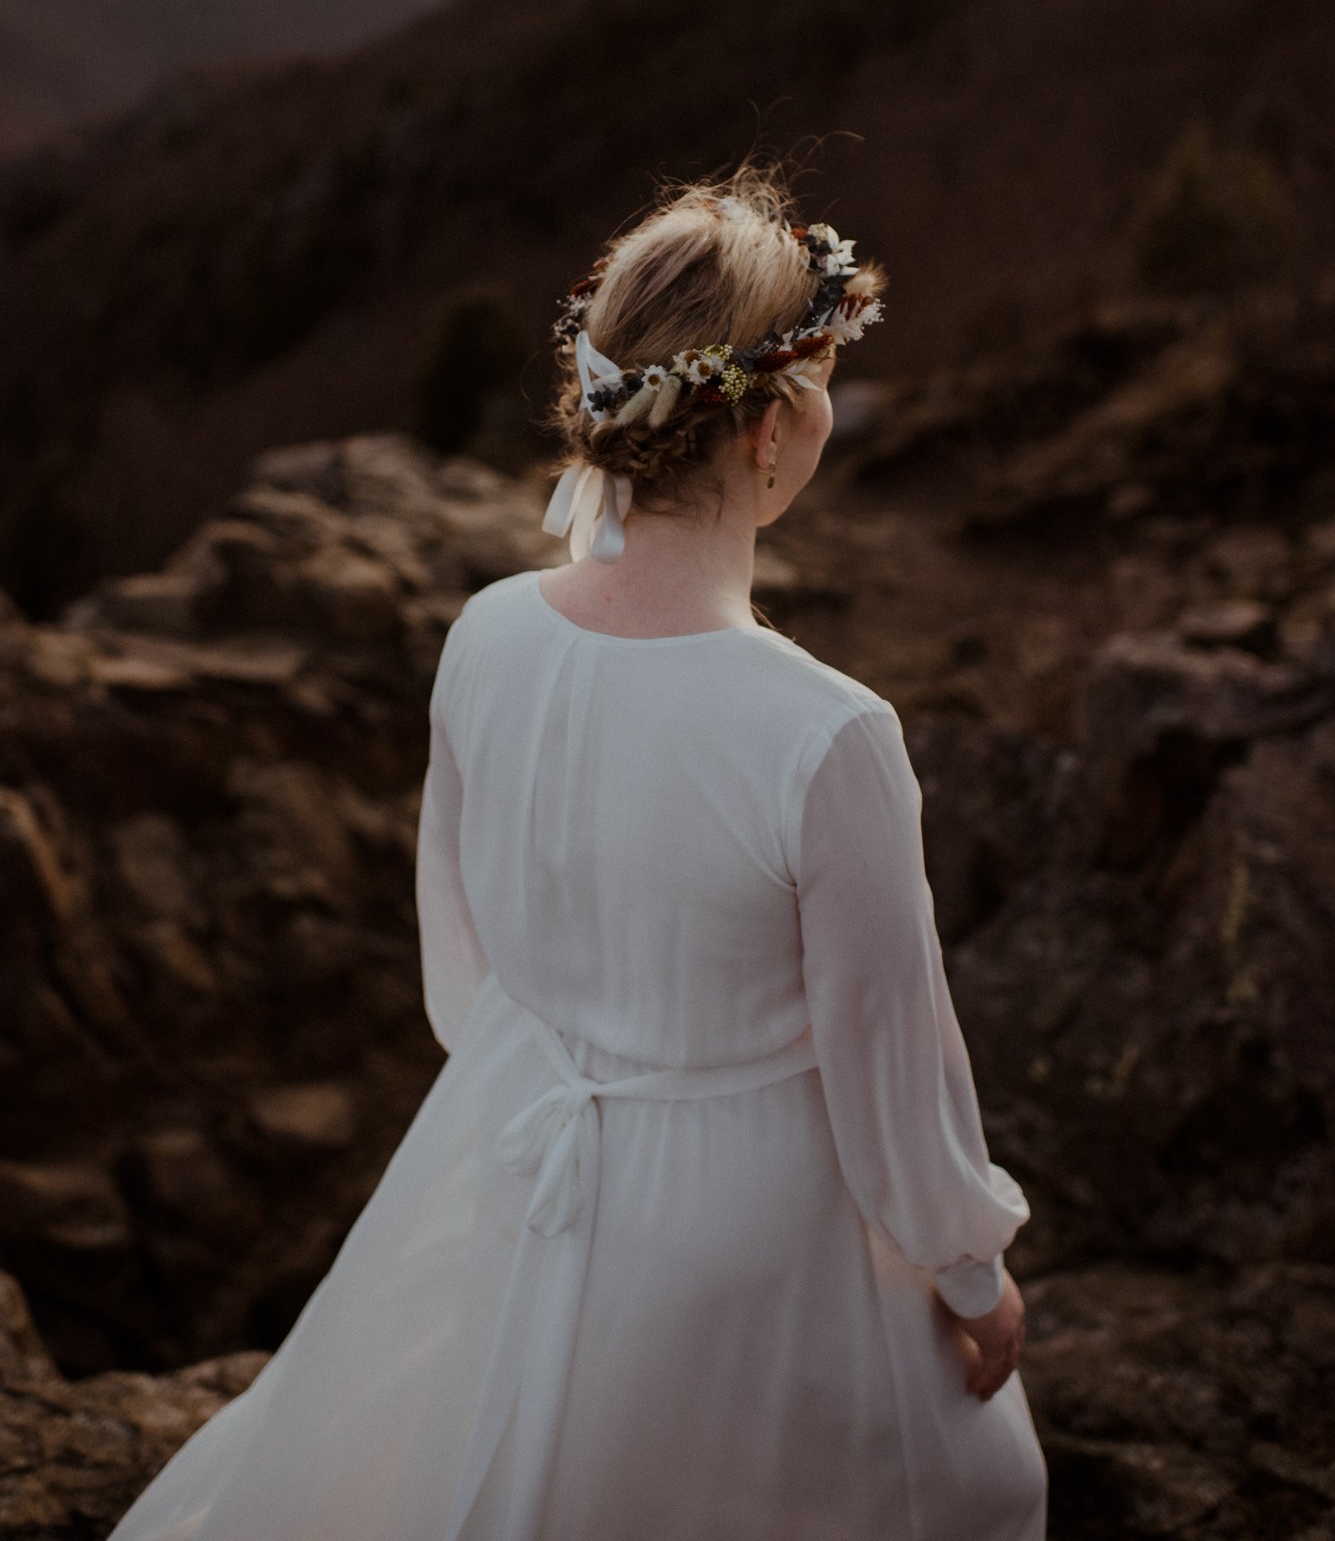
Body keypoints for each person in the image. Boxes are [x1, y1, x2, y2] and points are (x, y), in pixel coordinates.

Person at [108, 171, 1047, 1540]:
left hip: (519, 1169)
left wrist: (547, 1111)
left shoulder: (486, 631)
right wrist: (974, 1275)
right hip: (754, 1242)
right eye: (829, 380)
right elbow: (892, 1070)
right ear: (774, 431)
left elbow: (462, 962)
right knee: (967, 1491)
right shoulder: (829, 735)